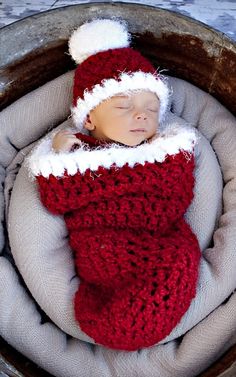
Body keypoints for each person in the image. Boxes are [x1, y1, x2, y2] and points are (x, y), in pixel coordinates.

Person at [27, 18, 201, 351]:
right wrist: (59, 158)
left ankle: (136, 320)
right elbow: (55, 196)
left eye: (152, 109)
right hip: (104, 246)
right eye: (124, 107)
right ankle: (122, 320)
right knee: (123, 261)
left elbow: (175, 197)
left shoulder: (164, 153)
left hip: (157, 239)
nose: (141, 116)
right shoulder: (79, 153)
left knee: (178, 258)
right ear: (90, 118)